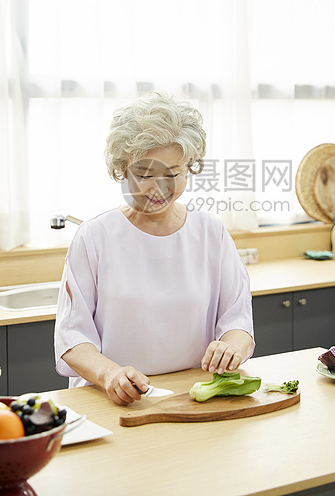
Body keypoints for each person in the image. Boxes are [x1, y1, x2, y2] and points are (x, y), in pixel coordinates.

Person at [54, 91, 254, 405]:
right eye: (145, 174)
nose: (159, 188)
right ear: (122, 169)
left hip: (192, 397)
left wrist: (231, 346)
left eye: (173, 173)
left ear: (189, 168)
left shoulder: (210, 232)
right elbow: (72, 336)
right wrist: (110, 375)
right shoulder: (95, 236)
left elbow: (237, 319)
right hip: (113, 400)